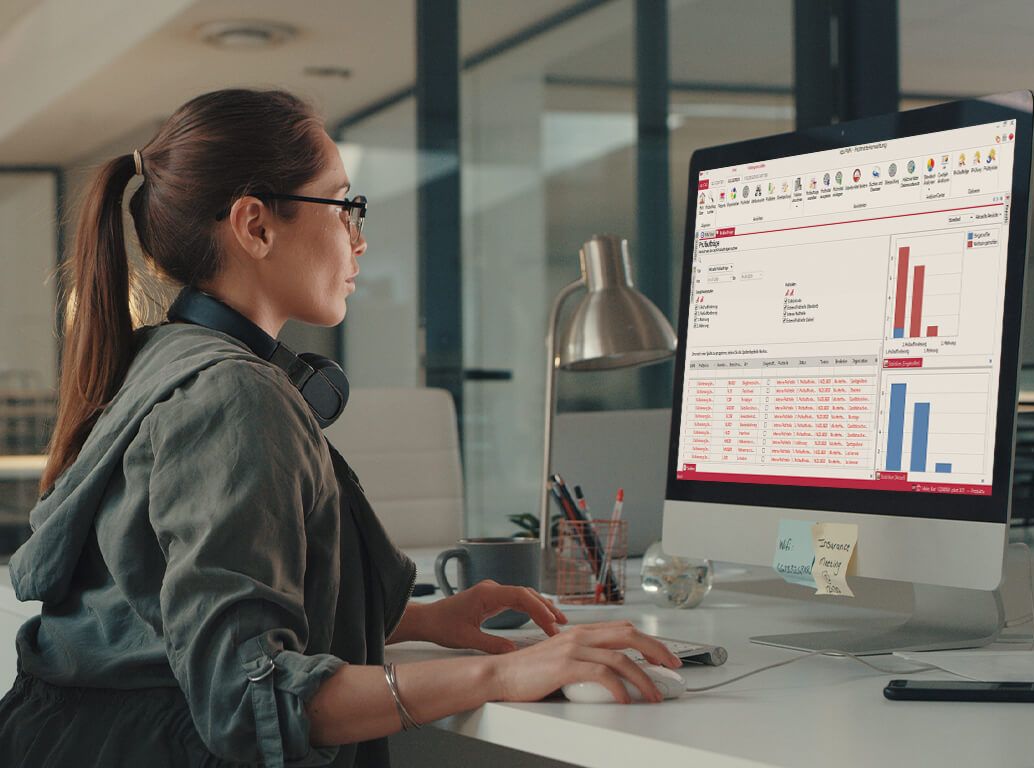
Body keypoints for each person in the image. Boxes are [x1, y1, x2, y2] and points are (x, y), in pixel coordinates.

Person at [0, 89, 680, 768]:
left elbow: (167, 613)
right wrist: (502, 674)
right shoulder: (232, 395)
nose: (360, 238)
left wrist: (425, 620)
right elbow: (249, 697)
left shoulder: (168, 358)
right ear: (255, 226)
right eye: (343, 205)